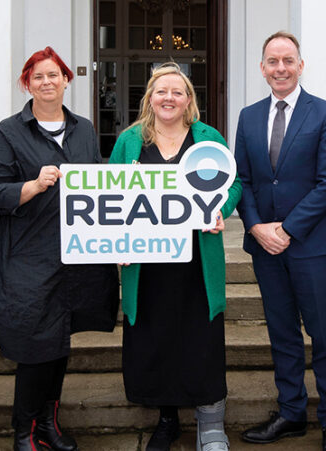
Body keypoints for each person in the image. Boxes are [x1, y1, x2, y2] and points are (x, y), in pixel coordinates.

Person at [0, 46, 119, 451]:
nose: (46, 82)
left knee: (59, 342)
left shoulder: (84, 129)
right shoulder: (8, 132)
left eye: (53, 75)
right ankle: (23, 432)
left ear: (65, 81)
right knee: (36, 345)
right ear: (27, 84)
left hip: (75, 258)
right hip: (29, 258)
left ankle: (48, 425)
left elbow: (96, 189)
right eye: (37, 76)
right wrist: (33, 185)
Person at [108, 62, 242, 451]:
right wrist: (115, 242)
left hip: (196, 261)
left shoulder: (207, 138)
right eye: (161, 91)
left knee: (201, 337)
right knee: (156, 339)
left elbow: (233, 183)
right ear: (150, 97)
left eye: (177, 92)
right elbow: (110, 194)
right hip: (147, 264)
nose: (169, 98)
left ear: (188, 100)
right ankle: (166, 420)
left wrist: (221, 210)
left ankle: (210, 422)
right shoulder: (129, 140)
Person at [234, 31, 326, 451]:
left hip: (312, 245)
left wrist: (287, 228)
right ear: (262, 68)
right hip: (265, 246)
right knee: (282, 333)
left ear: (301, 65)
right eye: (272, 61)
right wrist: (255, 226)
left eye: (287, 60)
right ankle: (291, 413)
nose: (280, 68)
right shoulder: (248, 116)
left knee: (324, 335)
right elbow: (242, 179)